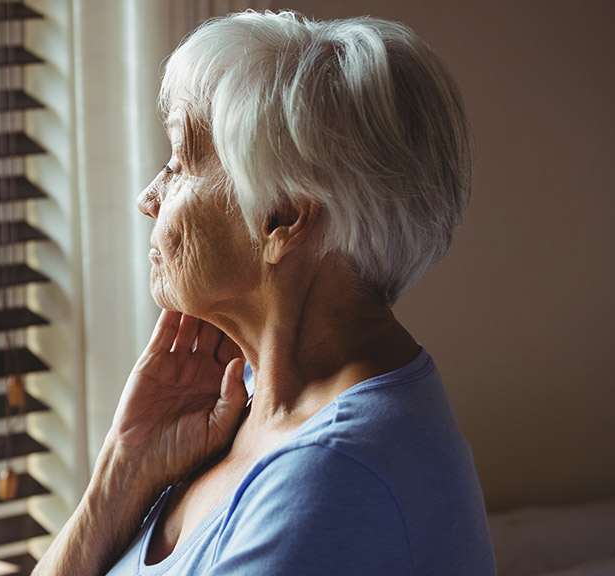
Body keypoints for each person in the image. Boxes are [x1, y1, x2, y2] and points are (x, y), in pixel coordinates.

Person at [35, 10, 496, 575]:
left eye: (179, 163)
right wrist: (121, 473)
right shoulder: (247, 401)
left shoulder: (333, 479)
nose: (148, 197)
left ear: (282, 219)